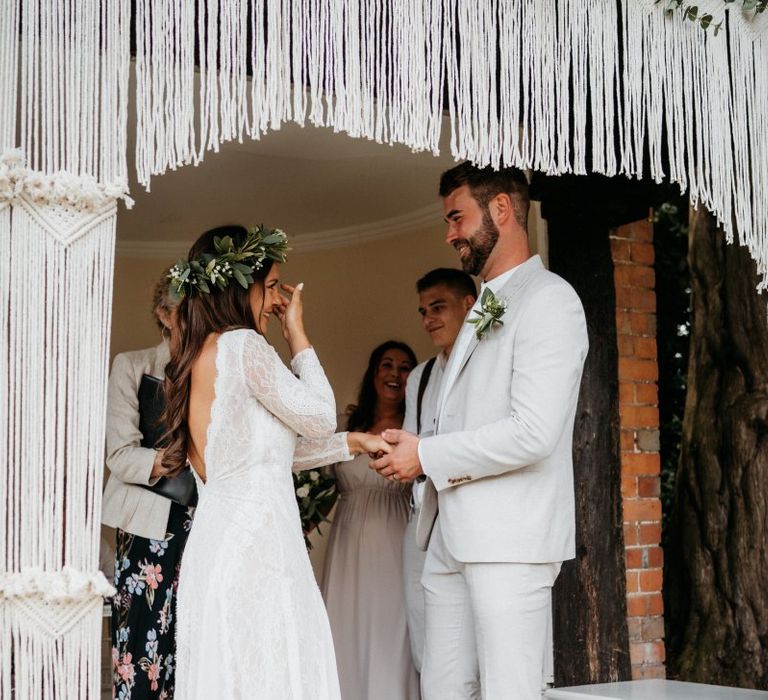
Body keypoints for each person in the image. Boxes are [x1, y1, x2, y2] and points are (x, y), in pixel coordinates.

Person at [372, 162, 589, 700]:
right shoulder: (483, 307)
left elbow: (534, 432)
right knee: (443, 688)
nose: (448, 234)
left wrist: (427, 456)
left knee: (508, 691)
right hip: (446, 535)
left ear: (501, 209)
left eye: (456, 218)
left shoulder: (550, 300)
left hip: (510, 542)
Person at [162, 224, 389, 700]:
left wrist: (356, 442)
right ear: (238, 287)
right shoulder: (244, 347)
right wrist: (298, 336)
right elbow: (320, 417)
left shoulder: (198, 353)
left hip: (219, 546)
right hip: (257, 551)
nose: (276, 302)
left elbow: (268, 454)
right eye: (269, 288)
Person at [104, 275, 191, 700]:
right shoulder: (132, 364)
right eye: (186, 309)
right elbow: (119, 455)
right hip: (146, 528)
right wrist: (166, 460)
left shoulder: (212, 372)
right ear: (164, 314)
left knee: (192, 642)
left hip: (203, 523)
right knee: (142, 646)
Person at [320, 340, 420, 700]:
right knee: (345, 626)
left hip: (395, 538)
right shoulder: (347, 425)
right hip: (346, 541)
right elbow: (320, 483)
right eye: (387, 365)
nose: (395, 374)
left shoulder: (413, 429)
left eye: (404, 367)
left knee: (391, 629)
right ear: (374, 373)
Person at [401, 269, 476, 676]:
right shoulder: (421, 376)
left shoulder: (486, 363)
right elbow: (414, 445)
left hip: (476, 521)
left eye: (438, 307)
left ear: (469, 304)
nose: (428, 318)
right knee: (429, 646)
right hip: (426, 528)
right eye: (423, 311)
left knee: (479, 647)